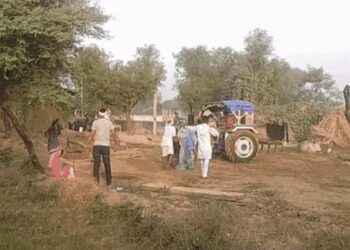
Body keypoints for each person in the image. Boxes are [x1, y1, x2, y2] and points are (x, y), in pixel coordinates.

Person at [87, 108, 118, 186]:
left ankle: (96, 183)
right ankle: (109, 183)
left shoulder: (95, 123)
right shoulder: (109, 123)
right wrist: (116, 143)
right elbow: (113, 134)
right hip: (106, 146)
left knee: (96, 165)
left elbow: (92, 134)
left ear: (98, 114)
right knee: (107, 164)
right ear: (105, 114)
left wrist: (88, 142)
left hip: (97, 145)